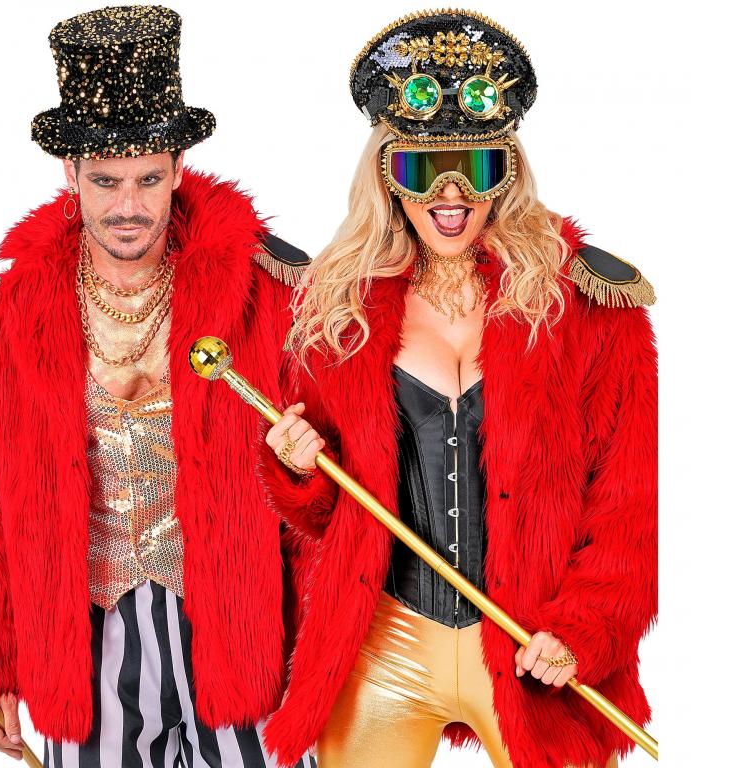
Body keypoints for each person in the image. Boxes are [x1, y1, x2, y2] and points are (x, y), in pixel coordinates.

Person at [256, 10, 656, 768]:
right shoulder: (335, 313)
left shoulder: (586, 309)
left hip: (533, 648)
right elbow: (320, 520)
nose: (451, 193)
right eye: (421, 169)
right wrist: (299, 469)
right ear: (386, 174)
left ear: (507, 170)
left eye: (476, 166)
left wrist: (582, 630)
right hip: (383, 645)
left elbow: (629, 505)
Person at [0, 6, 315, 767]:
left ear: (179, 167)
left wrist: (328, 649)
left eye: (149, 179)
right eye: (105, 181)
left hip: (244, 628)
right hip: (85, 643)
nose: (128, 206)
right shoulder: (9, 321)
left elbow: (334, 489)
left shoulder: (272, 295)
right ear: (70, 172)